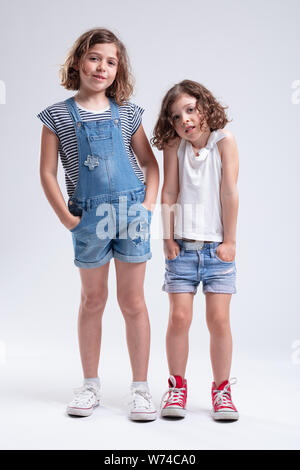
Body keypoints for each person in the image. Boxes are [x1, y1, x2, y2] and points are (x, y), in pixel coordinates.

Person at [38, 28, 159, 420]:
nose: (101, 67)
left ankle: (140, 389)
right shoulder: (57, 114)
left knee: (133, 302)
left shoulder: (128, 112)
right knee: (93, 300)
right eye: (94, 58)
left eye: (110, 61)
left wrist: (147, 207)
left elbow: (150, 165)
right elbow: (46, 172)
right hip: (87, 218)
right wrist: (67, 217)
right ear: (78, 61)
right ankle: (90, 386)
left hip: (131, 215)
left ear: (117, 68)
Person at [152, 80, 239, 421]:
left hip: (217, 249)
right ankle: (176, 387)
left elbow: (229, 191)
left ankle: (222, 390)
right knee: (179, 317)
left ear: (205, 106)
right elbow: (170, 192)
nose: (184, 120)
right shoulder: (174, 146)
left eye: (190, 110)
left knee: (218, 320)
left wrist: (229, 241)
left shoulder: (224, 142)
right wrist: (167, 239)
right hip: (183, 249)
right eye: (175, 116)